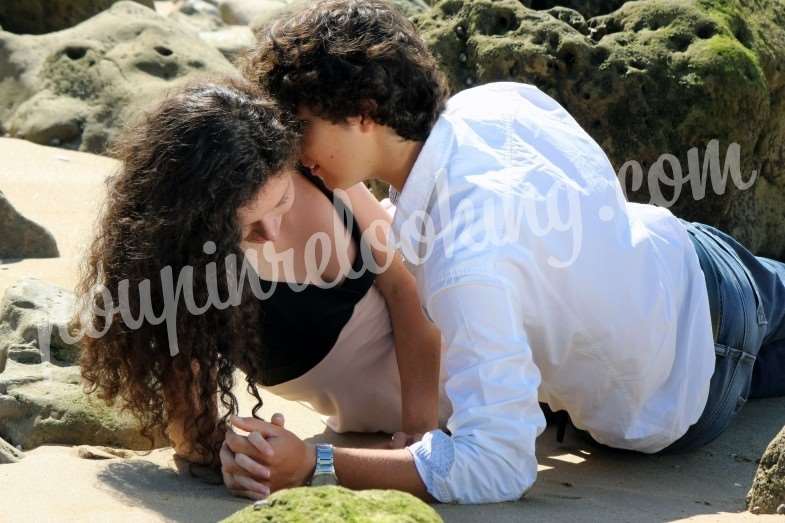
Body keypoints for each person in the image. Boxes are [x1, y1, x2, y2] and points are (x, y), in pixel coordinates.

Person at [226, 0, 785, 504]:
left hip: (690, 383)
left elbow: (497, 466)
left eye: (300, 126)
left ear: (365, 112)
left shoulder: (465, 260)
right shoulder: (492, 104)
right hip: (692, 256)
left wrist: (316, 464)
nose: (291, 150)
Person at [75, 79, 445, 496]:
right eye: (247, 223)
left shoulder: (321, 173)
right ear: (193, 224)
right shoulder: (180, 279)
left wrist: (420, 430)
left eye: (282, 201)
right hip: (373, 438)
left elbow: (406, 291)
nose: (271, 231)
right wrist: (245, 457)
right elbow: (196, 442)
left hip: (473, 376)